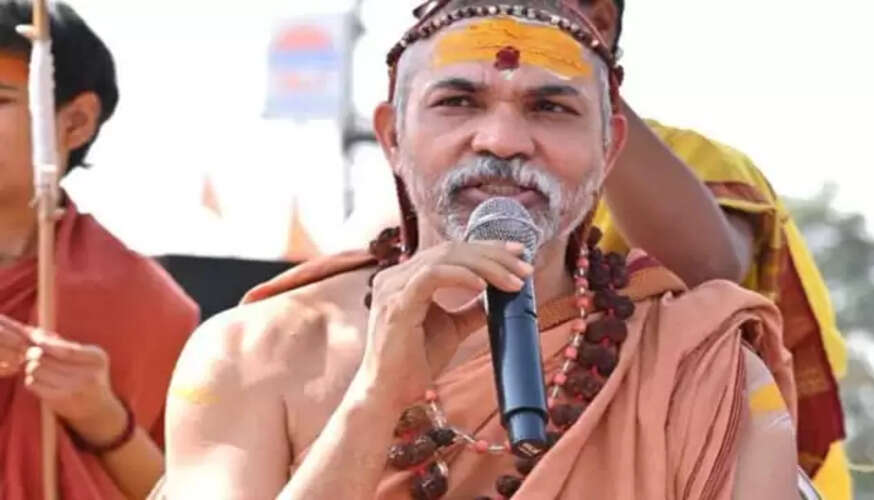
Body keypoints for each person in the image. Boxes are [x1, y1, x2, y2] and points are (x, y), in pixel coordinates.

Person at [160, 1, 803, 498]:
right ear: (392, 137)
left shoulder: (707, 373)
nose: (501, 140)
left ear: (609, 150)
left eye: (550, 107)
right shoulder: (254, 354)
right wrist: (375, 401)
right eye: (458, 102)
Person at [568, 1, 852, 497]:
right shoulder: (440, 174)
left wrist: (578, 67)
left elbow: (704, 271)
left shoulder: (689, 160)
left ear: (599, 21)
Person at [0, 1, 198, 498]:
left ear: (75, 122)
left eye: (0, 99)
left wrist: (103, 416)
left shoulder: (143, 302)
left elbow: (189, 489)